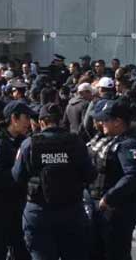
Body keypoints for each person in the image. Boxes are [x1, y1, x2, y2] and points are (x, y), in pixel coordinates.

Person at [12, 103, 96, 260]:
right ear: (60, 121)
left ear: (41, 122)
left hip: (39, 211)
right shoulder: (76, 142)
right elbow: (90, 174)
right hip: (71, 211)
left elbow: (17, 177)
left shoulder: (29, 144)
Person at [88, 98, 136, 260]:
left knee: (115, 252)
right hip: (99, 205)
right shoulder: (103, 140)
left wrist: (109, 197)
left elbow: (132, 175)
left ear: (118, 122)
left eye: (105, 120)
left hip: (117, 208)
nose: (100, 123)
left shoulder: (128, 144)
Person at [0, 100, 33, 260]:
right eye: (26, 117)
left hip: (16, 206)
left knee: (21, 252)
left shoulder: (19, 141)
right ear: (14, 119)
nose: (29, 122)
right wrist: (17, 171)